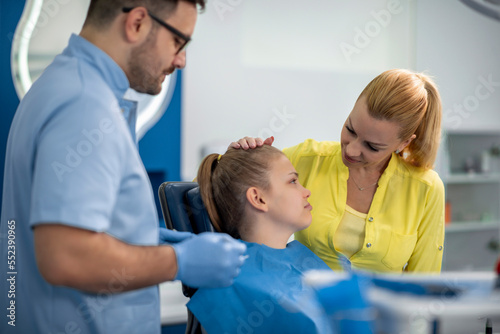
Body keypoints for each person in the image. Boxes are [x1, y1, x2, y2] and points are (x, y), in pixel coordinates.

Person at [0, 1, 247, 333]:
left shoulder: (64, 83)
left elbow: (70, 226)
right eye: (179, 42)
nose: (181, 60)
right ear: (137, 23)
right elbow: (64, 256)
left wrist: (137, 239)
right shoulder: (86, 105)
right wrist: (178, 262)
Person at [232, 69, 445, 273]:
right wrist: (238, 157)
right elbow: (218, 185)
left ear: (404, 143)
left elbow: (423, 285)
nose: (351, 150)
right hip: (302, 306)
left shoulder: (426, 189)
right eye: (350, 129)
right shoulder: (308, 159)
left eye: (372, 147)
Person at [187, 145, 334, 334]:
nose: (306, 192)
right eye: (293, 181)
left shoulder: (302, 257)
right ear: (258, 198)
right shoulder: (229, 283)